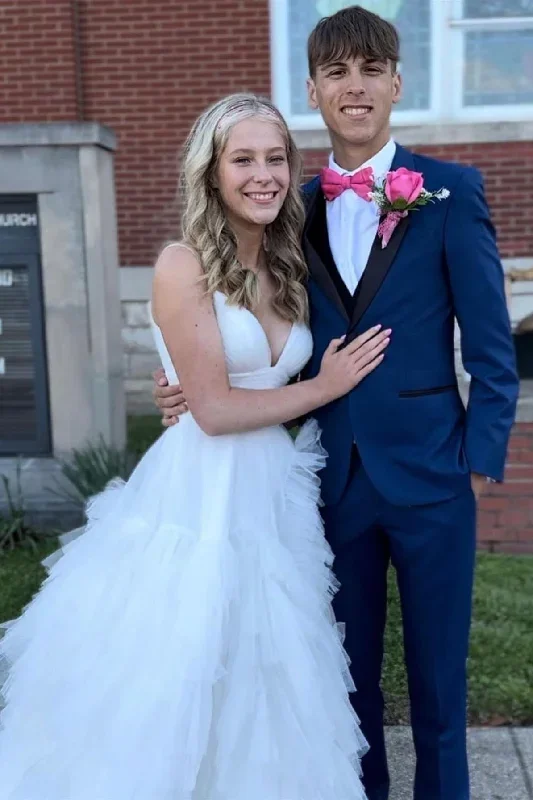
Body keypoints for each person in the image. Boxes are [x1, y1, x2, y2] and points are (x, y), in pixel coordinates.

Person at [153, 7, 519, 800]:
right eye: (335, 74)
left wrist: (478, 465)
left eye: (369, 71)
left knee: (437, 687)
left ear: (395, 82)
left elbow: (493, 350)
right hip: (325, 485)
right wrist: (196, 384)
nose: (354, 88)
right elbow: (255, 325)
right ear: (314, 91)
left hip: (432, 477)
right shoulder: (290, 205)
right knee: (343, 686)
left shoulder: (451, 193)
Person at [0, 93, 392, 799]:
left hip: (272, 494)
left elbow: (245, 383)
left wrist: (199, 385)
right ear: (211, 174)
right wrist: (323, 386)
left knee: (272, 666)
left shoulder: (289, 266)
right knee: (184, 661)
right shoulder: (183, 265)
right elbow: (212, 410)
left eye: (275, 158)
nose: (263, 175)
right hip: (200, 494)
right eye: (242, 159)